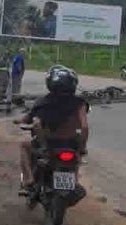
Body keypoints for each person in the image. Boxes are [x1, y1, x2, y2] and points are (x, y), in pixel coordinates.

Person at [13, 66, 89, 194]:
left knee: (24, 146)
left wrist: (18, 121)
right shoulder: (79, 104)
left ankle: (29, 179)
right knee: (76, 156)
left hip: (48, 145)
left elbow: (28, 120)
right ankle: (74, 182)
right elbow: (85, 127)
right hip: (70, 144)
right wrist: (82, 147)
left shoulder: (42, 103)